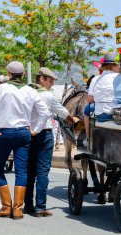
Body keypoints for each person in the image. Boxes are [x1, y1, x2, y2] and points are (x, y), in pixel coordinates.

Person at [0, 61, 51, 220]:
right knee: (22, 171)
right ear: (22, 74)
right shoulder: (31, 90)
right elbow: (45, 113)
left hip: (4, 133)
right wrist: (36, 130)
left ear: (8, 74)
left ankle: (6, 207)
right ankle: (18, 209)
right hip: (24, 133)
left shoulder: (0, 89)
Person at [24, 67, 79, 217]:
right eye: (50, 81)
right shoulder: (48, 96)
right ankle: (40, 207)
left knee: (29, 172)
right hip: (44, 135)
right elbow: (63, 112)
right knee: (42, 172)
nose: (52, 84)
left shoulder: (26, 94)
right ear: (41, 79)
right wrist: (73, 119)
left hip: (27, 134)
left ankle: (27, 205)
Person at [82, 57, 104, 148]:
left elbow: (90, 99)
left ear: (100, 69)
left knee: (86, 110)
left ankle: (87, 138)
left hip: (100, 107)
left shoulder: (96, 79)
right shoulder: (117, 76)